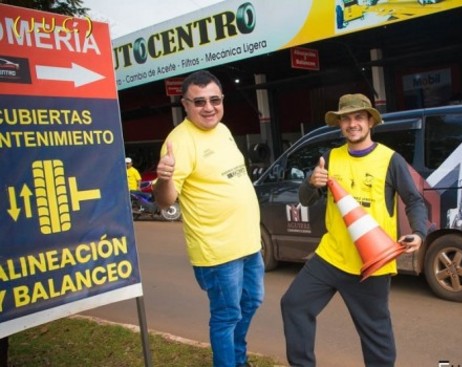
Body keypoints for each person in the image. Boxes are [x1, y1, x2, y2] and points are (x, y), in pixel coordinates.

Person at [280, 93, 428, 367]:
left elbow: (415, 201)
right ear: (339, 125)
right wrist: (312, 183)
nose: (352, 124)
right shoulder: (329, 158)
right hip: (331, 257)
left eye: (358, 117)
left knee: (376, 338)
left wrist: (419, 233)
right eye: (345, 119)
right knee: (294, 304)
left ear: (370, 121)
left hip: (370, 264)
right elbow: (305, 198)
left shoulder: (390, 160)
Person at [152, 70, 264, 367]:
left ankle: (238, 360)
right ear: (185, 104)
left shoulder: (223, 130)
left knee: (251, 302)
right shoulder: (180, 142)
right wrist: (163, 178)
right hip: (217, 251)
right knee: (227, 316)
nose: (209, 107)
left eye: (215, 99)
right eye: (199, 101)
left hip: (249, 245)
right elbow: (165, 202)